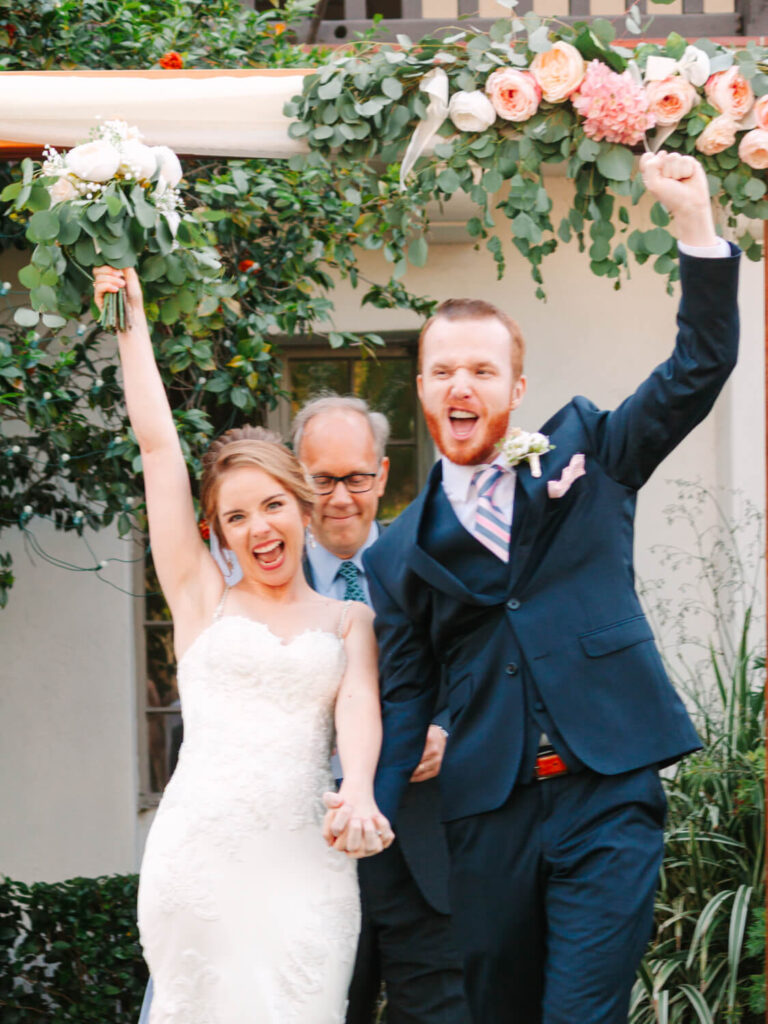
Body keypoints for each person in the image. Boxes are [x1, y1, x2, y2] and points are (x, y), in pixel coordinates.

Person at [324, 151, 741, 1023]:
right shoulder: (396, 556)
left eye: (481, 370)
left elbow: (695, 372)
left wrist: (695, 227)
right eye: (444, 371)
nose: (461, 384)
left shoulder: (588, 452)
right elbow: (404, 698)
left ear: (514, 388)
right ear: (425, 391)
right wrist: (369, 797)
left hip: (607, 791)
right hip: (487, 817)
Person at [93, 265, 393, 1024]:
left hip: (308, 872)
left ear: (302, 505)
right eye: (235, 518)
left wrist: (356, 789)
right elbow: (160, 450)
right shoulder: (201, 600)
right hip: (201, 860)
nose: (259, 528)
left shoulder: (347, 620)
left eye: (272, 506)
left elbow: (359, 709)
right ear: (218, 532)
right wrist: (129, 323)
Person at [293, 395, 470, 1024]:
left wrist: (448, 729)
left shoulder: (431, 566)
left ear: (382, 476)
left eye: (357, 478)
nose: (342, 497)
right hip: (302, 850)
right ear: (297, 475)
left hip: (421, 848)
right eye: (323, 480)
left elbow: (480, 678)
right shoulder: (261, 585)